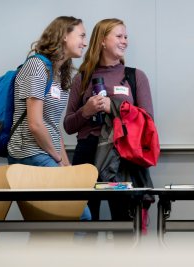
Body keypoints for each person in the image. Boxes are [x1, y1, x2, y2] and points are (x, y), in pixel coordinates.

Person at [63, 18, 154, 222]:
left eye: (126, 37)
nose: (124, 41)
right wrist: (85, 111)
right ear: (103, 41)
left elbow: (148, 122)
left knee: (124, 221)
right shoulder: (82, 77)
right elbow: (68, 126)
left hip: (121, 156)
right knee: (85, 222)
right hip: (87, 155)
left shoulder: (135, 76)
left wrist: (113, 108)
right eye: (119, 36)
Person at [7, 16, 86, 167]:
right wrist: (58, 159)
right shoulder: (37, 66)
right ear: (64, 35)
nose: (85, 42)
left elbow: (52, 125)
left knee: (73, 185)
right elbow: (35, 124)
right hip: (30, 153)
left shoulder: (58, 73)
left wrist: (66, 165)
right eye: (81, 36)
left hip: (47, 153)